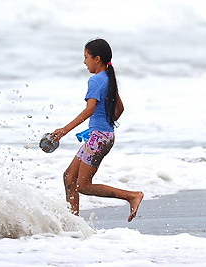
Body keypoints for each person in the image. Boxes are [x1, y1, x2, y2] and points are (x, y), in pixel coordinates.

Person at [51, 38, 143, 222]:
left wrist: (64, 130)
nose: (84, 62)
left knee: (83, 186)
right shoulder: (109, 78)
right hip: (102, 136)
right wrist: (104, 125)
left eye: (86, 57)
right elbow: (120, 109)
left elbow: (90, 109)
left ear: (97, 58)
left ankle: (131, 196)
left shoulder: (95, 81)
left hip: (99, 138)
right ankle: (74, 223)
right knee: (69, 177)